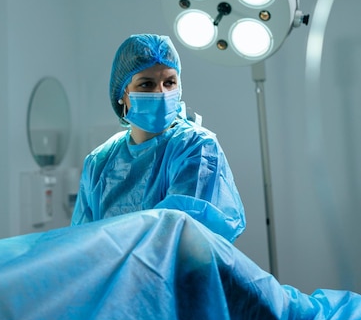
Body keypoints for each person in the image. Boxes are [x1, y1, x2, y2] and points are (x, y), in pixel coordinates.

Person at [71, 33, 245, 243]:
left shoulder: (195, 146)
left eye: (169, 82)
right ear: (122, 93)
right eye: (146, 84)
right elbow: (81, 241)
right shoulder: (99, 162)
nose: (161, 93)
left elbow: (179, 237)